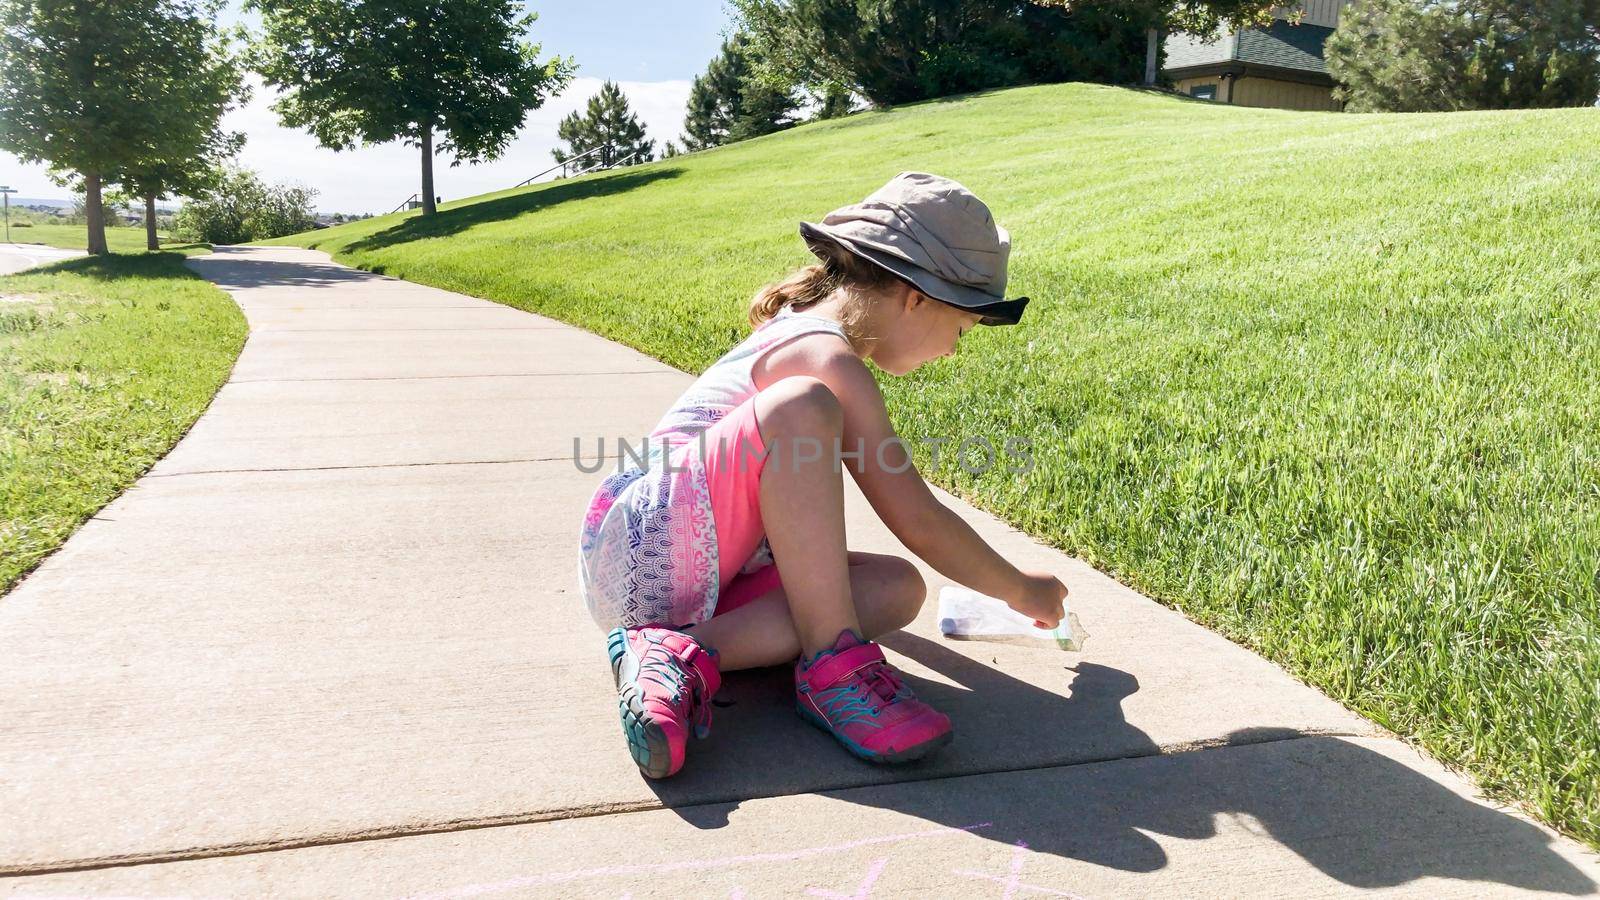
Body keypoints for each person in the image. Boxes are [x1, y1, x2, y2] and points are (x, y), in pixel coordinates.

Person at [577, 171, 1068, 779]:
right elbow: (916, 516)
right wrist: (1023, 590)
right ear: (917, 297)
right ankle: (836, 669)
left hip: (697, 578)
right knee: (803, 406)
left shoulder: (814, 342)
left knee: (898, 588)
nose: (954, 350)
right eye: (961, 328)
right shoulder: (823, 355)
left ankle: (678, 656)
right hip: (643, 541)